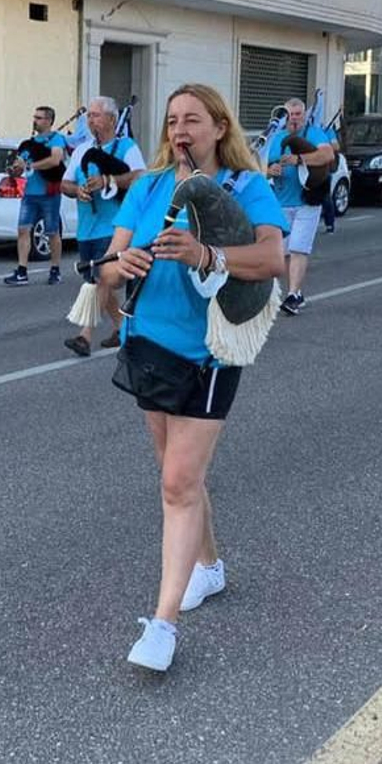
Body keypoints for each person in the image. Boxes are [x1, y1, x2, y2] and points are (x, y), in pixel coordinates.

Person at [104, 83, 287, 673]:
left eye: (193, 119)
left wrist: (209, 256)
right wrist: (118, 267)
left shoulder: (246, 187)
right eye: (173, 120)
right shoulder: (151, 186)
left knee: (179, 482)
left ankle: (162, 627)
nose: (181, 129)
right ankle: (208, 567)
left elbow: (271, 261)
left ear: (218, 128)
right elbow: (109, 265)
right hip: (148, 342)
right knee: (176, 477)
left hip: (210, 352)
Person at [62, 96, 146, 356]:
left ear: (112, 119)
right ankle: (123, 329)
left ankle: (84, 336)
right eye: (89, 116)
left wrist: (109, 180)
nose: (91, 120)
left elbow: (140, 178)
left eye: (96, 115)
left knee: (100, 278)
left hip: (115, 227)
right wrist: (78, 190)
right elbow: (65, 184)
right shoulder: (81, 150)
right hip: (87, 227)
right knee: (97, 279)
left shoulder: (126, 147)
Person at [261, 97, 336, 315]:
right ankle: (284, 293)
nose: (294, 119)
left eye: (298, 114)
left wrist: (300, 159)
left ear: (304, 115)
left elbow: (327, 154)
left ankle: (293, 295)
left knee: (298, 248)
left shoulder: (313, 133)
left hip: (307, 202)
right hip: (280, 202)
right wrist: (268, 170)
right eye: (290, 115)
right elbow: (254, 163)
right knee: (279, 252)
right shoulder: (274, 136)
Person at [4, 106, 70, 286]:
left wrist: (31, 166)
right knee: (23, 230)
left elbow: (55, 160)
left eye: (40, 118)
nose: (35, 120)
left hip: (49, 193)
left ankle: (55, 269)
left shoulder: (56, 139)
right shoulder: (29, 144)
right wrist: (14, 170)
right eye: (35, 117)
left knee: (52, 232)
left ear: (49, 121)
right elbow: (19, 167)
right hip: (30, 194)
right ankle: (22, 271)